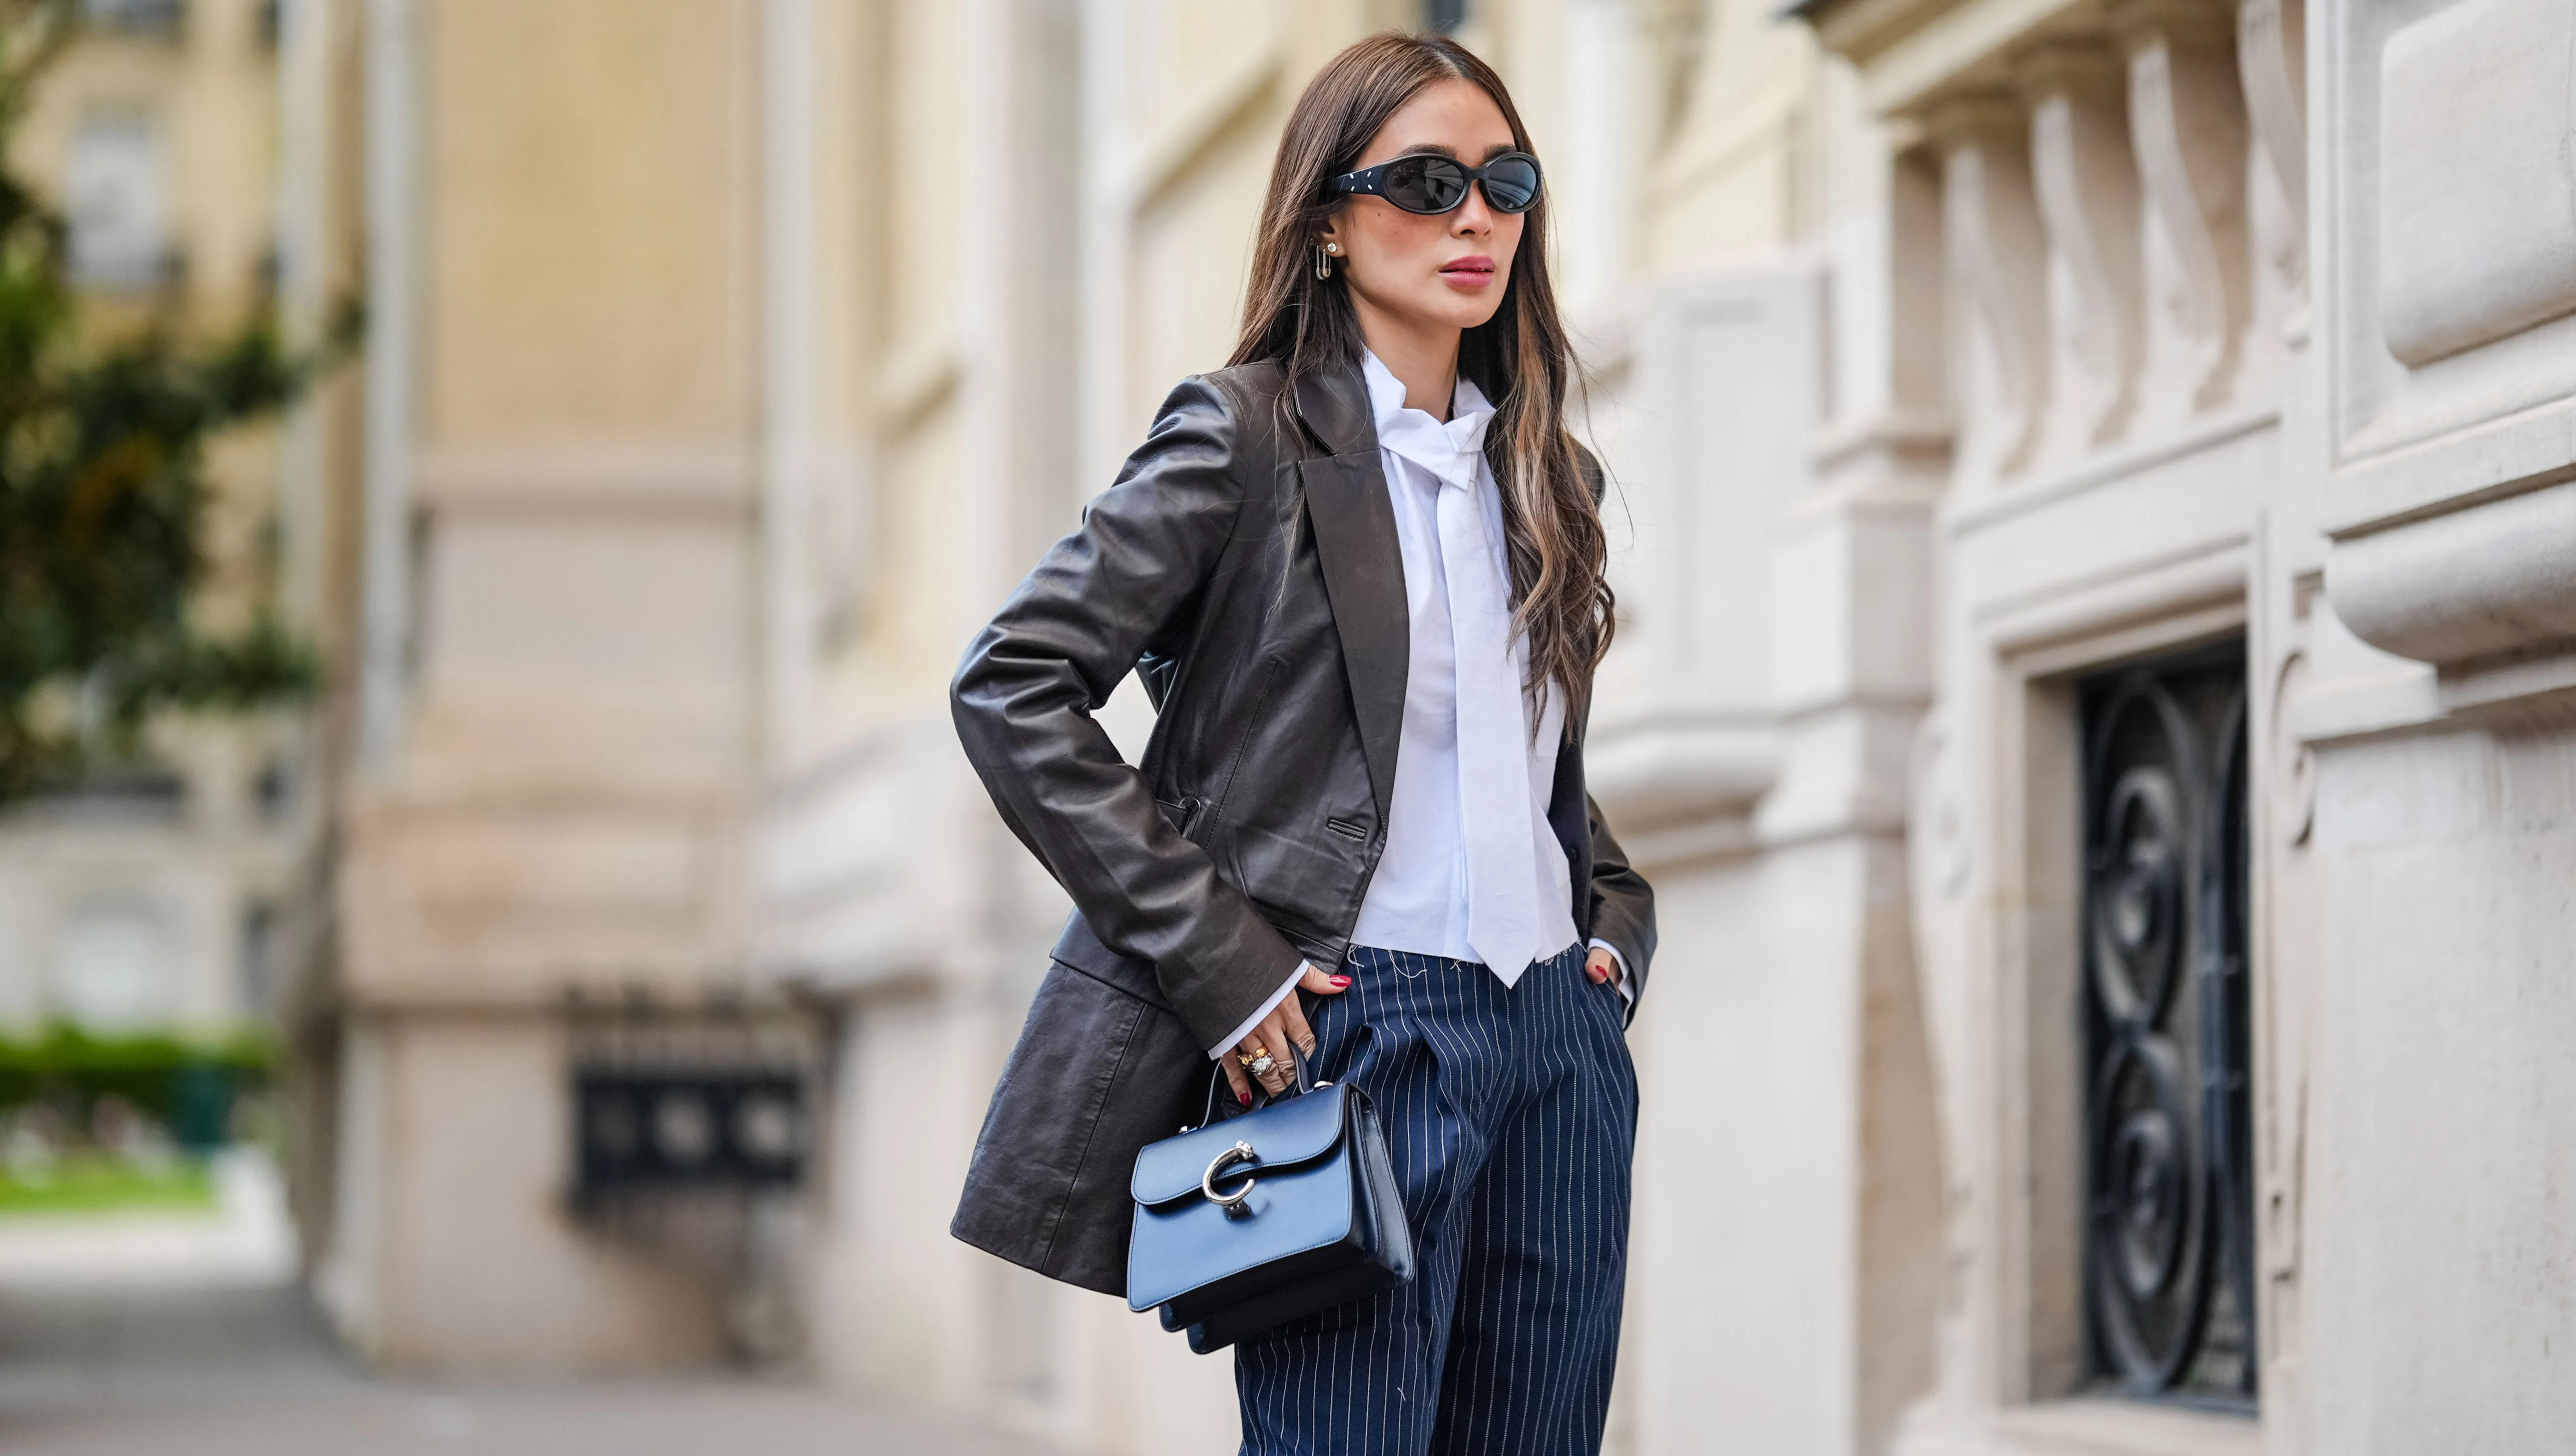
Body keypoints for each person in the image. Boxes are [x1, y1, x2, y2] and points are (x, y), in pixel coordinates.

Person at [947, 29, 1656, 1456]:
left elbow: (1530, 774)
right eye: (1428, 180)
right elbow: (1013, 682)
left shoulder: (1547, 476)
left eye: (1506, 182)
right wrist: (1226, 963)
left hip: (1556, 1058)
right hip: (1350, 1040)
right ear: (1328, 218)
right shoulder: (1244, 441)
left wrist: (1614, 932)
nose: (1477, 218)